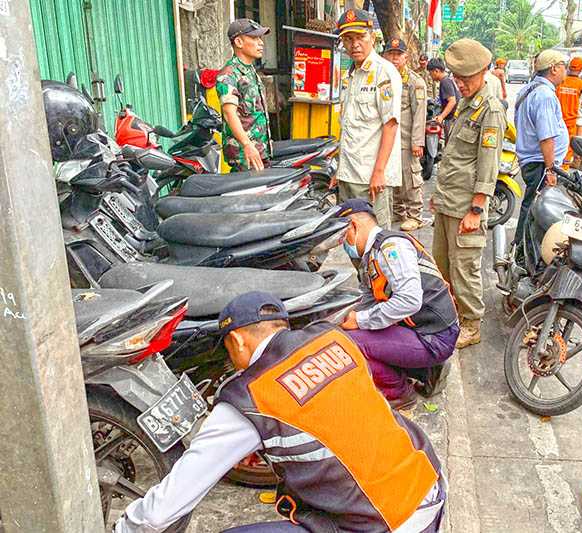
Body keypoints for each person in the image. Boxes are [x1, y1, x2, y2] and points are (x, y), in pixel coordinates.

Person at [114, 292, 447, 533]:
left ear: (237, 341)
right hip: (428, 487)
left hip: (385, 521)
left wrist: (126, 526)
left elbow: (167, 505)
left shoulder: (252, 396)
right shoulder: (333, 339)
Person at [334, 199, 459, 408]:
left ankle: (399, 392)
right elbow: (369, 299)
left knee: (351, 344)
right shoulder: (371, 255)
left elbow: (409, 300)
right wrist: (346, 317)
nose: (342, 244)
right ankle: (424, 371)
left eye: (341, 236)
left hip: (433, 336)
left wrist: (361, 320)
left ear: (353, 225)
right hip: (420, 328)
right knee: (345, 332)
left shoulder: (391, 247)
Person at [430, 38, 505, 349]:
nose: (459, 84)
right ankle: (451, 316)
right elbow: (456, 158)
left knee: (465, 269)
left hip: (466, 208)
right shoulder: (466, 102)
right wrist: (440, 195)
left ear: (485, 71)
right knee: (442, 265)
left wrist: (476, 209)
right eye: (456, 77)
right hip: (449, 201)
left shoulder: (490, 109)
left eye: (466, 78)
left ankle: (471, 324)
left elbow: (488, 164)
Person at [335, 8, 402, 230]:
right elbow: (348, 127)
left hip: (371, 178)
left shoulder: (384, 73)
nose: (355, 44)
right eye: (348, 39)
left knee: (376, 241)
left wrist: (379, 172)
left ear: (372, 37)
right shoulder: (350, 75)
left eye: (360, 37)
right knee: (352, 238)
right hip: (350, 173)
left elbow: (390, 125)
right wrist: (340, 170)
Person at [512, 49, 570, 263]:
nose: (566, 69)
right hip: (539, 163)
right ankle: (521, 254)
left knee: (533, 208)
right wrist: (550, 169)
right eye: (564, 65)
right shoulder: (544, 94)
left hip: (535, 161)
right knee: (536, 210)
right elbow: (546, 137)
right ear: (554, 68)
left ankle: (522, 252)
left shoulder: (530, 89)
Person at [384, 38, 429, 232]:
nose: (394, 59)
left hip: (405, 139)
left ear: (405, 57)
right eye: (391, 54)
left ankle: (415, 215)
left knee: (410, 177)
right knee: (392, 177)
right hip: (388, 140)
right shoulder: (383, 78)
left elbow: (419, 113)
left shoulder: (414, 82)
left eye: (398, 55)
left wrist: (417, 142)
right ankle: (397, 210)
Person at [216, 19, 272, 172]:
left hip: (259, 150)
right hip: (244, 155)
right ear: (239, 42)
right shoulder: (229, 74)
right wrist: (247, 145)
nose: (260, 43)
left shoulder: (250, 71)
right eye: (254, 38)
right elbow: (229, 113)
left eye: (260, 38)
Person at [556, 56, 582, 164]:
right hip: (572, 123)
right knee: (567, 151)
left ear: (569, 66)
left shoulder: (560, 81)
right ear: (581, 69)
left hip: (557, 121)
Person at [427, 58, 460, 140]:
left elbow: (452, 101)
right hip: (453, 118)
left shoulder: (445, 82)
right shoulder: (448, 80)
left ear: (436, 71)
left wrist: (441, 117)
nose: (430, 76)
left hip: (451, 119)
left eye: (430, 73)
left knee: (449, 143)